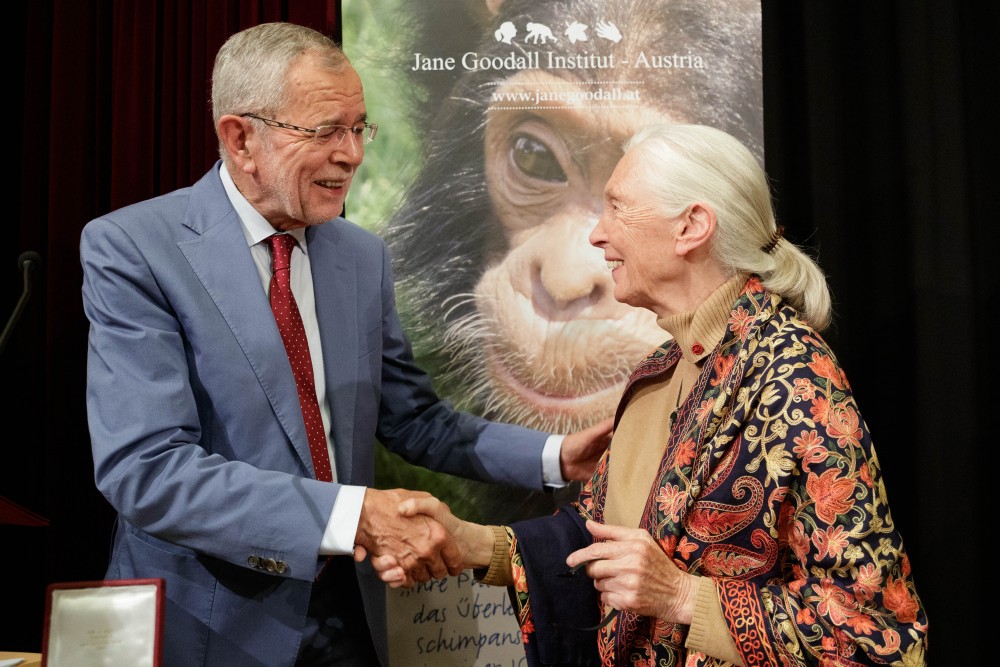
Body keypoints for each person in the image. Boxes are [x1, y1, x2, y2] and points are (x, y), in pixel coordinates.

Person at [79, 22, 611, 667]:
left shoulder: (360, 255)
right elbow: (148, 470)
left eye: (360, 129)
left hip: (351, 620)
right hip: (210, 627)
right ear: (241, 137)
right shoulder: (135, 249)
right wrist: (353, 515)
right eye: (326, 131)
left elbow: (411, 419)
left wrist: (557, 454)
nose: (352, 154)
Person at [379, 122, 929, 666]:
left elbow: (878, 636)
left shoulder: (794, 375)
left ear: (691, 226)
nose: (596, 234)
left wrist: (684, 597)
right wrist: (467, 541)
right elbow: (595, 540)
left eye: (617, 208)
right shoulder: (660, 369)